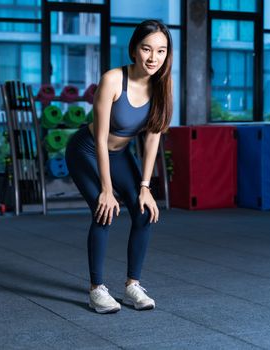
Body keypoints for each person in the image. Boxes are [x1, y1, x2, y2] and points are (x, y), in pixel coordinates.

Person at [65, 20, 173, 313]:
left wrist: (145, 188)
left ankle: (131, 286)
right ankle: (96, 290)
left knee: (144, 212)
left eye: (161, 51)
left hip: (122, 154)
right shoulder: (113, 80)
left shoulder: (161, 87)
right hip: (86, 150)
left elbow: (151, 142)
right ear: (134, 49)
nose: (153, 58)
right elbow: (100, 139)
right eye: (147, 49)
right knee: (105, 211)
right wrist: (107, 190)